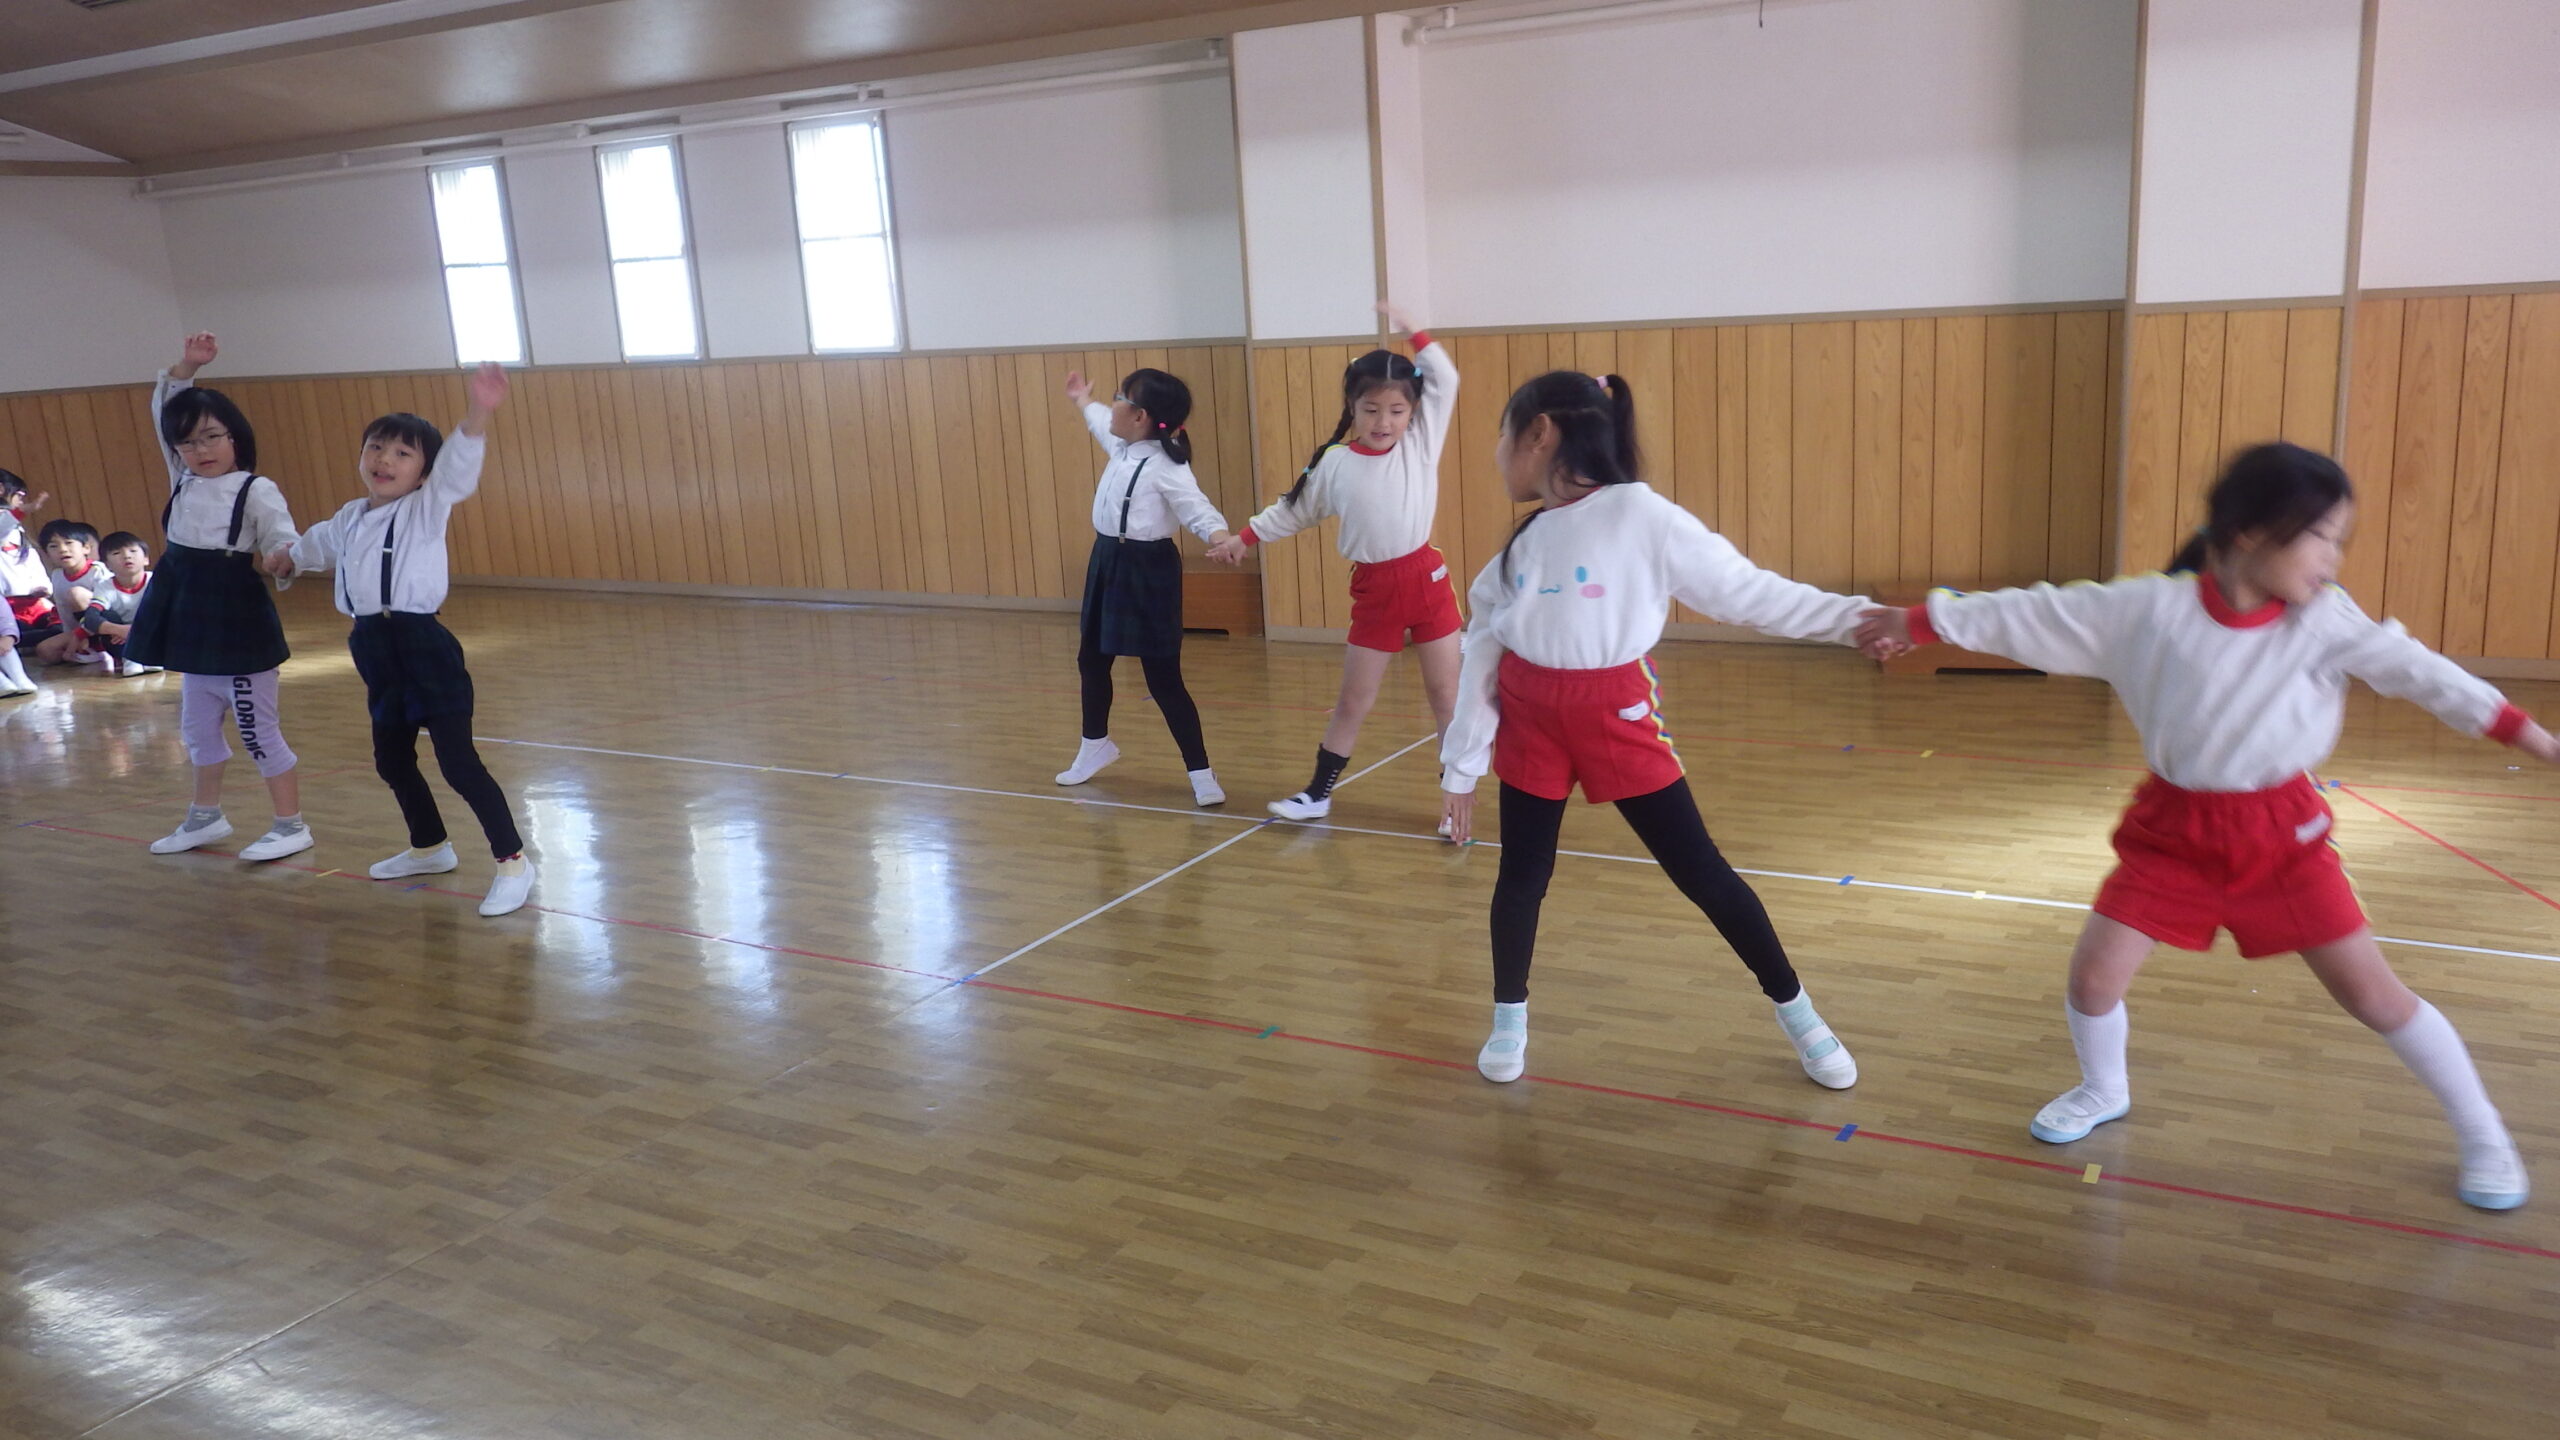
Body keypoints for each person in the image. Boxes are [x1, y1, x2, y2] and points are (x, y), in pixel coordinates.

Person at [1855, 442, 2544, 1210]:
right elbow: (2033, 613)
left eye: (2338, 540)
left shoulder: (2324, 622)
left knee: (2374, 997)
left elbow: (2425, 674)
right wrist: (1918, 621)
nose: (2333, 558)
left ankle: (2484, 1134)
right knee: (2092, 979)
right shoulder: (2149, 610)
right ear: (2252, 533)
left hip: (2282, 839)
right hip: (2173, 832)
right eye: (2321, 536)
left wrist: (2535, 738)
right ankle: (2103, 1088)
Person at [1441, 370, 1871, 1090]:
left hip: (1615, 713)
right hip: (1531, 718)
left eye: (1501, 434)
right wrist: (1461, 767)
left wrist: (1860, 621)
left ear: (1539, 434)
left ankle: (1799, 1012)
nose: (1495, 453)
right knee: (1521, 876)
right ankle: (1508, 1016)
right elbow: (1482, 653)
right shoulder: (1521, 547)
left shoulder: (1644, 517)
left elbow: (1754, 595)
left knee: (1700, 870)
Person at [269, 364, 536, 918]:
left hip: (424, 648)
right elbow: (314, 545)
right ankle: (430, 846)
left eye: (402, 453)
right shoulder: (349, 517)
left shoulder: (427, 507)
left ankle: (513, 862)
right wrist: (286, 557)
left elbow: (458, 469)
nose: (384, 460)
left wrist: (478, 412)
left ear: (423, 473)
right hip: (373, 647)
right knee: (391, 759)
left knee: (458, 763)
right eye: (376, 447)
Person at [1208, 303, 1463, 825]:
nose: (1383, 422)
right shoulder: (1334, 463)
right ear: (1352, 406)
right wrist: (1244, 538)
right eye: (1371, 409)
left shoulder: (1420, 443)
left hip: (1427, 581)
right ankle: (1317, 794)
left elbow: (1447, 377)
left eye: (1396, 410)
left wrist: (1414, 331)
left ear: (1413, 412)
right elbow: (1293, 510)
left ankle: (1453, 804)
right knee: (1353, 701)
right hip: (1375, 590)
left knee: (1446, 697)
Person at [122, 332, 312, 862]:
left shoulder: (256, 488)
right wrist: (187, 366)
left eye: (211, 438)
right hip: (188, 615)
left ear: (235, 437)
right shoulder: (182, 479)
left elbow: (282, 538)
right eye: (187, 443)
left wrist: (282, 557)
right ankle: (205, 817)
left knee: (257, 730)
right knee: (197, 728)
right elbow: (166, 407)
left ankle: (291, 824)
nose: (200, 451)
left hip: (236, 620)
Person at [1053, 366, 1236, 808]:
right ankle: (1094, 745)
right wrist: (1082, 399)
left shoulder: (1167, 466)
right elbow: (1100, 419)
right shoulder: (1122, 443)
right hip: (1107, 561)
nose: (1112, 403)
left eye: (1119, 397)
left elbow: (1196, 508)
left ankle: (1201, 771)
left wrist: (1220, 537)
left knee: (1163, 678)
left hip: (1149, 569)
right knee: (1092, 660)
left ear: (1140, 417)